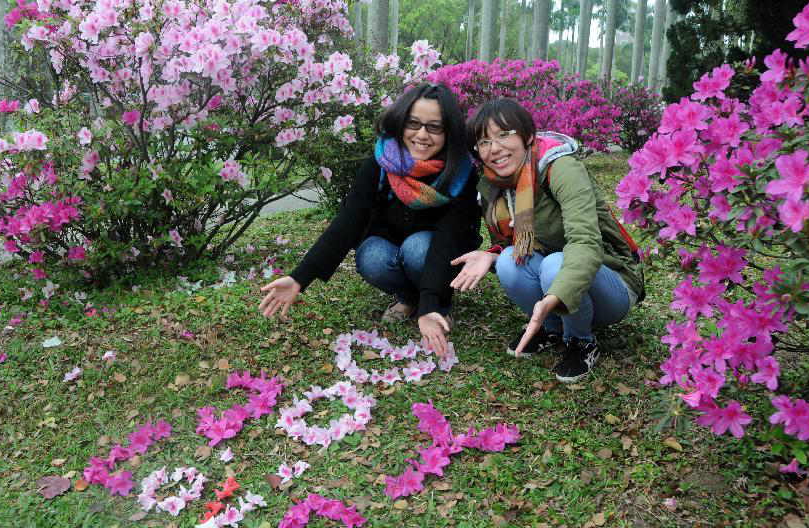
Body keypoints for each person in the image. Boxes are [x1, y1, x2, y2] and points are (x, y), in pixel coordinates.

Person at [259, 83, 480, 356]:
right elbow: (349, 220)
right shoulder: (381, 161)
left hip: (438, 253)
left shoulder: (460, 173)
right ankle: (409, 297)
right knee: (371, 257)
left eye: (435, 127)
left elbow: (449, 239)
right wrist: (299, 278)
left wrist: (431, 304)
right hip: (390, 244)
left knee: (417, 249)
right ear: (400, 123)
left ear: (449, 132)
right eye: (414, 123)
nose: (422, 135)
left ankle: (437, 305)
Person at [451, 98, 644, 382]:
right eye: (483, 142)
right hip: (555, 277)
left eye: (504, 135)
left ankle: (581, 340)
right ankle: (552, 329)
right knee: (507, 261)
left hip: (610, 281)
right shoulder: (493, 186)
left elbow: (585, 242)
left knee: (556, 264)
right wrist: (490, 255)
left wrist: (554, 295)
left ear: (528, 136)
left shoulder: (561, 168)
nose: (495, 149)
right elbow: (512, 245)